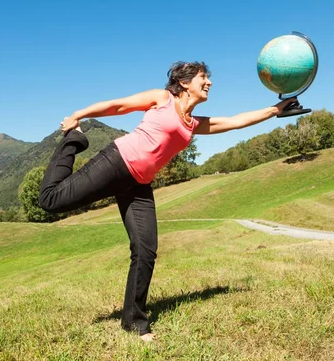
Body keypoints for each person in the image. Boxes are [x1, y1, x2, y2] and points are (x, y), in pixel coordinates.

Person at [38, 61, 296, 342]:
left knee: (146, 250)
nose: (209, 82)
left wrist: (275, 110)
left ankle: (134, 322)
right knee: (51, 201)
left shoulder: (193, 123)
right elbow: (118, 106)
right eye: (203, 77)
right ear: (184, 82)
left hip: (139, 185)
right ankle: (73, 142)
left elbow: (235, 121)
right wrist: (79, 115)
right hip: (117, 162)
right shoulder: (163, 99)